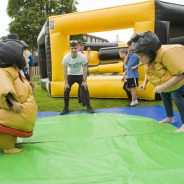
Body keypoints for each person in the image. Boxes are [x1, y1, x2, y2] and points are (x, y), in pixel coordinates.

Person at [131, 31, 184, 132]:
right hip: (168, 82)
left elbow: (180, 74)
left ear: (150, 52)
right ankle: (169, 118)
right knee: (164, 94)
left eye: (141, 57)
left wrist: (162, 87)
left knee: (176, 96)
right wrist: (144, 83)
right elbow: (149, 71)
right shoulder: (150, 58)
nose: (140, 60)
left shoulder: (166, 54)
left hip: (179, 80)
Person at [0, 40, 38, 153]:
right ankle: (7, 146)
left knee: (10, 127)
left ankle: (11, 141)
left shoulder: (17, 71)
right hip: (10, 110)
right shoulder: (4, 72)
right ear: (14, 57)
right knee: (5, 129)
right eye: (26, 57)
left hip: (19, 112)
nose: (28, 60)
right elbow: (3, 86)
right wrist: (12, 102)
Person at [60, 40, 94, 115]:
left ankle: (89, 107)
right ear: (70, 48)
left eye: (75, 48)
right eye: (72, 48)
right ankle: (66, 108)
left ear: (78, 48)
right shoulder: (66, 58)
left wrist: (84, 81)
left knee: (85, 88)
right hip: (70, 75)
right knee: (66, 90)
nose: (74, 50)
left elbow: (85, 68)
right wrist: (66, 83)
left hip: (80, 74)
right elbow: (65, 71)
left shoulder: (82, 56)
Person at [119, 40, 141, 107]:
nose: (129, 47)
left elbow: (143, 61)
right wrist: (128, 53)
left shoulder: (137, 54)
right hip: (129, 75)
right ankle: (135, 100)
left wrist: (135, 66)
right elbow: (125, 62)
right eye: (129, 46)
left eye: (130, 46)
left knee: (132, 88)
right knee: (129, 88)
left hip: (133, 74)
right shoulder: (130, 54)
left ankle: (133, 101)